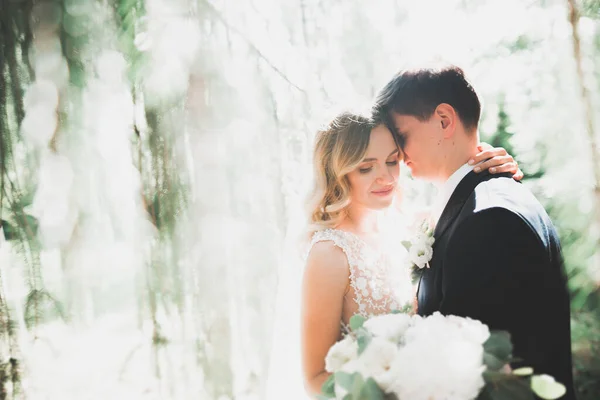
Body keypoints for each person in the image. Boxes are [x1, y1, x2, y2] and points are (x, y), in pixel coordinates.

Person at [371, 65, 576, 400]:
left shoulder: (489, 220)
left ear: (444, 120)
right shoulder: (481, 201)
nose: (397, 153)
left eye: (401, 135)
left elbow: (480, 378)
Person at [300, 111, 524, 397]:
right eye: (366, 168)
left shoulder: (407, 224)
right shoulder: (330, 254)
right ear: (337, 172)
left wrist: (495, 163)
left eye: (392, 161)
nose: (386, 177)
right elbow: (315, 378)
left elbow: (461, 199)